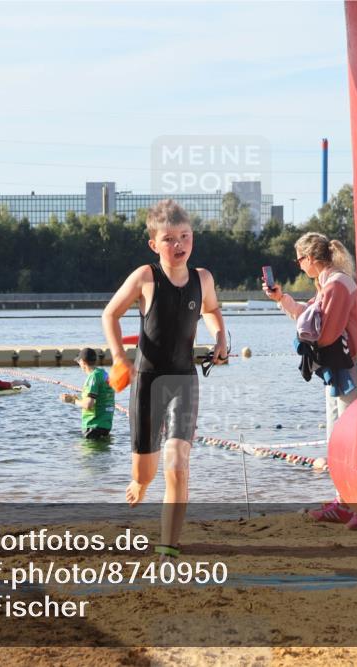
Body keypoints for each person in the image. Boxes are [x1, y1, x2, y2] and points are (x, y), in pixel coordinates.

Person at [102, 198, 227, 561]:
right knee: (146, 472)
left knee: (177, 465)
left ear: (192, 238)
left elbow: (211, 309)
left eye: (184, 236)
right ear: (154, 244)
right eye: (169, 239)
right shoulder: (145, 276)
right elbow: (110, 315)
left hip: (184, 381)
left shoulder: (203, 279)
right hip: (148, 382)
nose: (178, 244)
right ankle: (140, 483)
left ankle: (168, 546)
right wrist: (119, 358)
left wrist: (221, 337)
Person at [264, 232, 357, 439]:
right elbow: (309, 315)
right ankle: (334, 460)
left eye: (299, 260)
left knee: (344, 428)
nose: (299, 266)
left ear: (310, 258)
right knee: (338, 426)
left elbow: (325, 334)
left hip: (349, 365)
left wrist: (304, 340)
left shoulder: (336, 285)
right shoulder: (329, 282)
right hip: (341, 364)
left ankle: (339, 459)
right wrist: (280, 298)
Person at [60, 347, 115, 439]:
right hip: (105, 425)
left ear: (83, 361)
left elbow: (88, 404)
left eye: (79, 361)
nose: (79, 364)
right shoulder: (103, 374)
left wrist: (73, 401)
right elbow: (101, 397)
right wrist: (77, 398)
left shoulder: (93, 377)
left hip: (93, 426)